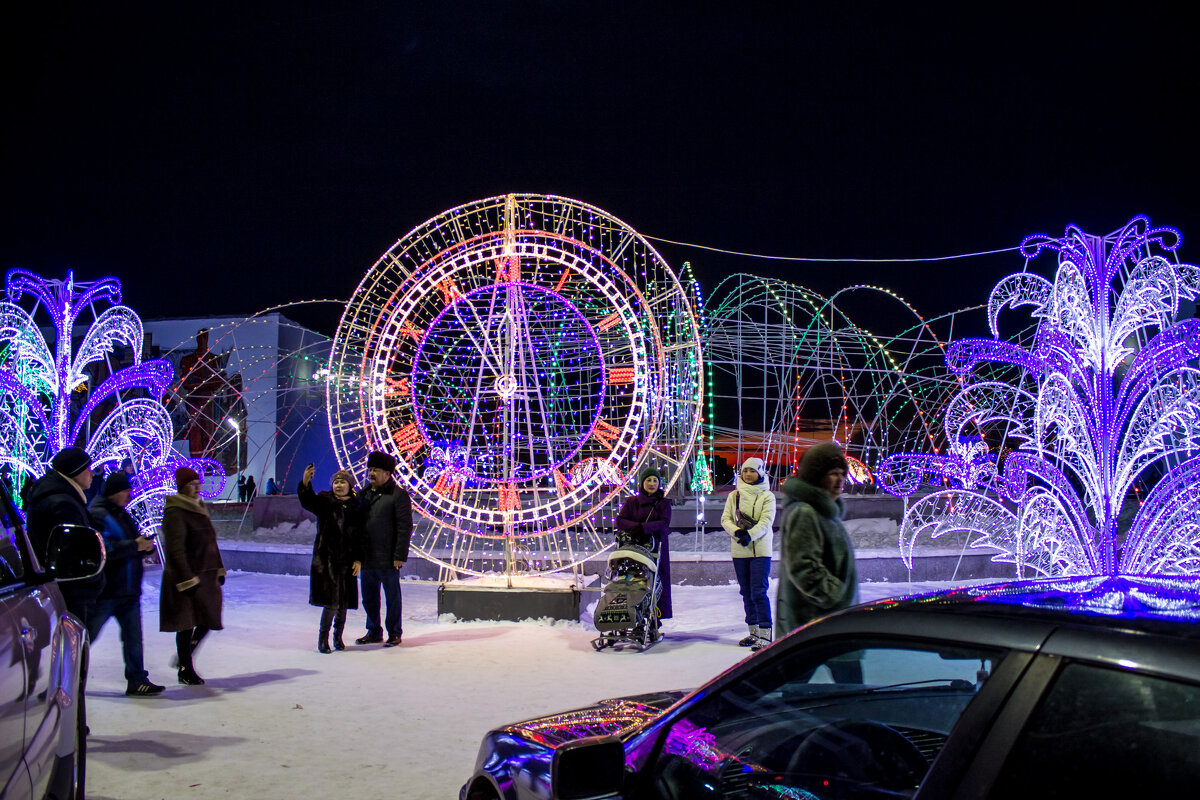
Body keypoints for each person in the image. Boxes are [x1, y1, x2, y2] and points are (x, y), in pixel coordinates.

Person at [776, 443, 859, 676]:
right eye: (833, 473)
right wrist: (836, 596)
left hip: (829, 624)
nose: (840, 480)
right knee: (848, 694)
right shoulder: (806, 512)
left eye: (843, 474)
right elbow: (804, 568)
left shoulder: (825, 513)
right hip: (814, 623)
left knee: (846, 691)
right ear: (816, 476)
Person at [88, 471, 165, 696]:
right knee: (87, 636)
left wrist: (144, 546)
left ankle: (137, 680)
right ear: (113, 492)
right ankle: (62, 678)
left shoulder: (121, 513)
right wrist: (135, 546)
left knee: (133, 638)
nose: (129, 494)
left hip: (129, 591)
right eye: (124, 490)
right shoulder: (98, 514)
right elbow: (103, 549)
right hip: (108, 591)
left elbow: (132, 543)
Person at [24, 446, 104, 629]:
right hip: (71, 592)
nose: (92, 474)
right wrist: (91, 579)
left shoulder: (60, 498)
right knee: (73, 647)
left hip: (67, 589)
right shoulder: (62, 504)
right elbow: (74, 550)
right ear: (75, 472)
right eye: (87, 469)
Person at [160, 466, 225, 685]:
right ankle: (185, 669)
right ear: (182, 487)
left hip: (206, 575)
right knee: (187, 624)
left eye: (198, 483)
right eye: (192, 485)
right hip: (186, 577)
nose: (197, 488)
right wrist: (186, 578)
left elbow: (211, 542)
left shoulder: (200, 507)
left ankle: (184, 656)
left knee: (208, 619)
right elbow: (176, 548)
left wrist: (219, 568)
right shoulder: (176, 511)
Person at [298, 464, 361, 653]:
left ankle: (338, 637)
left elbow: (360, 536)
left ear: (350, 486)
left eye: (343, 482)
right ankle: (323, 638)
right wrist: (305, 482)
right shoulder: (325, 502)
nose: (339, 485)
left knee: (343, 603)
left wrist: (358, 559)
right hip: (328, 559)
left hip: (347, 560)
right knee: (331, 602)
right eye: (336, 482)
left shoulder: (356, 507)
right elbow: (308, 501)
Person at [356, 451, 412, 647]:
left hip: (388, 558)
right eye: (370, 469)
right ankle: (373, 630)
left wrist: (399, 555)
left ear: (387, 474)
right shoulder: (363, 495)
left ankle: (394, 632)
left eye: (376, 470)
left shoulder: (398, 495)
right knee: (369, 598)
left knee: (392, 599)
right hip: (367, 556)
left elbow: (404, 527)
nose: (371, 473)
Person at [722, 457, 777, 650]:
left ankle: (766, 632)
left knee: (758, 591)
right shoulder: (734, 496)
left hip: (760, 550)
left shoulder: (767, 496)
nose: (748, 474)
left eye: (752, 471)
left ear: (760, 472)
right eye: (745, 471)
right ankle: (753, 631)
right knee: (746, 592)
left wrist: (750, 535)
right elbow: (725, 519)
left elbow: (766, 521)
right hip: (739, 551)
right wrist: (737, 532)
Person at [614, 467, 675, 619]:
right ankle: (630, 614)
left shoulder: (664, 503)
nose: (652, 483)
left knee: (655, 582)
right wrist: (634, 528)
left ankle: (655, 617)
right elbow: (620, 520)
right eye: (648, 480)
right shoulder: (632, 502)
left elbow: (664, 523)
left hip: (655, 548)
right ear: (642, 483)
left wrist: (643, 527)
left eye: (655, 480)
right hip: (633, 549)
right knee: (631, 580)